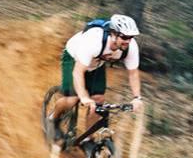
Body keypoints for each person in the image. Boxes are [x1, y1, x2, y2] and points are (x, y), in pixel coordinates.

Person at [46, 14, 143, 143]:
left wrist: (137, 98)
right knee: (73, 98)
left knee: (98, 100)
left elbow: (133, 74)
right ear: (113, 34)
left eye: (131, 37)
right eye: (124, 37)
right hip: (74, 58)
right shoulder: (94, 41)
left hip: (96, 64)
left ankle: (88, 138)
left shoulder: (130, 47)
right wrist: (84, 97)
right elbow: (78, 72)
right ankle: (52, 119)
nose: (128, 41)